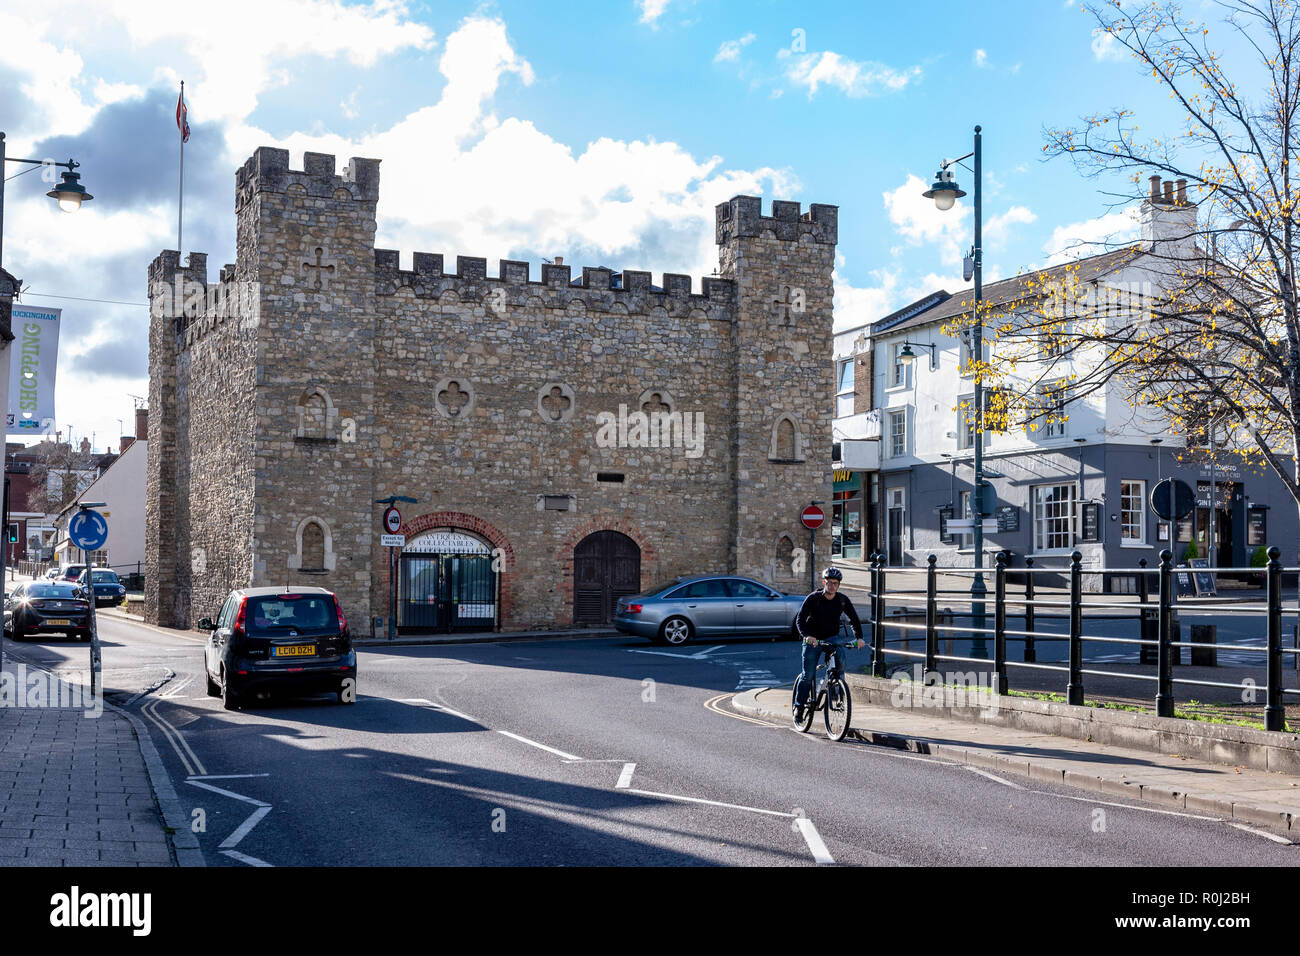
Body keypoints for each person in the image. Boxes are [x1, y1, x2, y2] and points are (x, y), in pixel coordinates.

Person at [793, 566, 865, 723]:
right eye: (829, 582)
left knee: (840, 663)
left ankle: (838, 695)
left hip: (831, 637)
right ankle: (799, 708)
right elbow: (800, 620)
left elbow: (854, 619)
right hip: (813, 640)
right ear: (824, 582)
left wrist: (859, 637)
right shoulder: (813, 598)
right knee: (808, 676)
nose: (832, 586)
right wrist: (808, 636)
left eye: (835, 583)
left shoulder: (842, 600)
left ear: (838, 585)